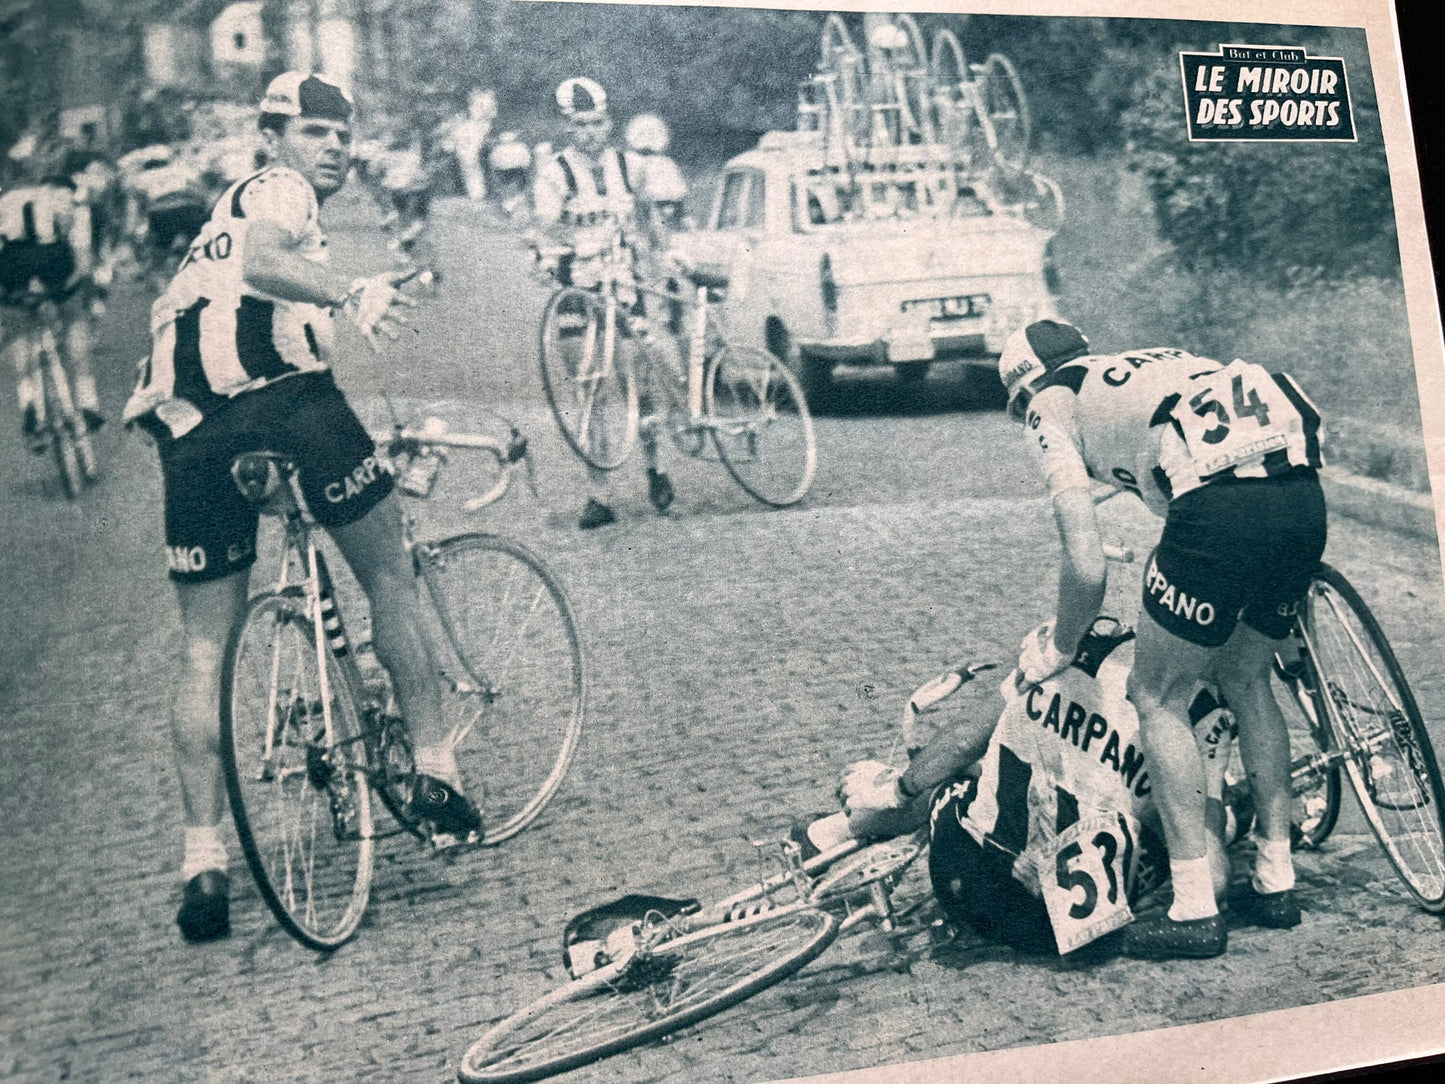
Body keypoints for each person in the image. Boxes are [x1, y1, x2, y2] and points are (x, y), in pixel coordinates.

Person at [122, 72, 482, 944]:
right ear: (274, 136)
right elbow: (268, 263)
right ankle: (438, 772)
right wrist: (350, 290)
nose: (335, 148)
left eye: (341, 136)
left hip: (184, 430)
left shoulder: (208, 228)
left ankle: (202, 862)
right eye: (314, 132)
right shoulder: (274, 192)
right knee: (389, 571)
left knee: (206, 643)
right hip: (283, 403)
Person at [997, 319, 1327, 959]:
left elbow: (1085, 566)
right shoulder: (1146, 363)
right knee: (1247, 679)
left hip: (1221, 512)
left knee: (1156, 695)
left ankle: (1195, 908)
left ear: (1022, 393)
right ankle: (1277, 880)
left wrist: (1061, 646)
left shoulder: (1048, 405)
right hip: (1301, 494)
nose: (1025, 425)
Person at [816, 623, 1233, 955]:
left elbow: (962, 742)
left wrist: (895, 786)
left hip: (966, 884)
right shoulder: (1208, 717)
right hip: (1060, 932)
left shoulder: (1071, 643)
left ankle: (836, 831)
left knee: (966, 768)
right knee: (1184, 824)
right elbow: (1212, 876)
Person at [531, 78, 673, 529]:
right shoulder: (554, 173)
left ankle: (657, 469)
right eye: (579, 125)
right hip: (580, 292)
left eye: (596, 123)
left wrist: (662, 263)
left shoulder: (631, 168)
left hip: (626, 289)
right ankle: (600, 495)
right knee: (589, 391)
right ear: (567, 128)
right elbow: (546, 231)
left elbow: (651, 225)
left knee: (644, 382)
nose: (589, 133)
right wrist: (556, 264)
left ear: (609, 123)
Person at [0, 145, 104, 445]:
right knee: (74, 323)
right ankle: (86, 404)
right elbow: (83, 262)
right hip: (56, 263)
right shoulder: (70, 201)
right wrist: (77, 294)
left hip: (13, 266)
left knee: (19, 332)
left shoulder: (6, 200)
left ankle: (29, 402)